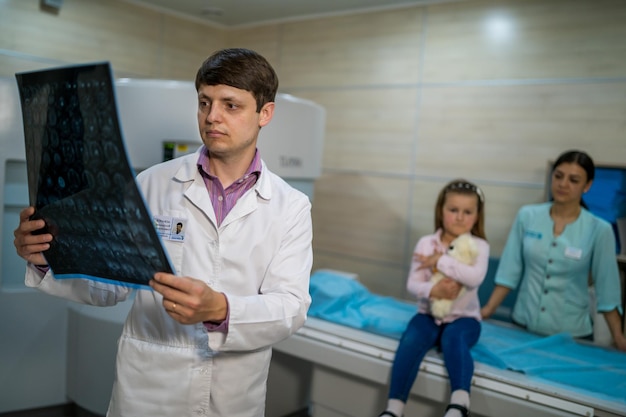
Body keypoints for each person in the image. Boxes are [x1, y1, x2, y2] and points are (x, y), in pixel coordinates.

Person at [13, 48, 313, 416]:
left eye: (230, 105)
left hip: (234, 393)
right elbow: (111, 285)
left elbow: (291, 306)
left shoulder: (291, 205)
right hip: (149, 389)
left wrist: (220, 308)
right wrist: (47, 258)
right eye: (205, 102)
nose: (212, 117)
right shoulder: (153, 183)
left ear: (264, 113)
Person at [481, 150, 626, 351]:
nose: (563, 184)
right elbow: (509, 271)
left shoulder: (599, 230)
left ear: (587, 185)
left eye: (573, 180)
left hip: (572, 335)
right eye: (558, 176)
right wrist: (487, 310)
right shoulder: (527, 216)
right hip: (523, 325)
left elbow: (607, 290)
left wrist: (618, 338)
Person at [379, 179, 490, 417]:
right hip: (428, 314)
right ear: (441, 211)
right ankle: (394, 409)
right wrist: (433, 291)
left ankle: (459, 404)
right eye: (453, 210)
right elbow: (413, 283)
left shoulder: (480, 246)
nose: (460, 217)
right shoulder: (426, 243)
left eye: (467, 212)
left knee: (454, 338)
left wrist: (439, 261)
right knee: (410, 340)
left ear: (477, 216)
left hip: (465, 318)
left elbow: (474, 277)